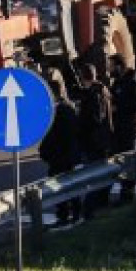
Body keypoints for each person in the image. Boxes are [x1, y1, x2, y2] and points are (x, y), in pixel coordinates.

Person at [39, 79, 82, 227]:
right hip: (68, 155)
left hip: (60, 157)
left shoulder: (59, 112)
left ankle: (65, 215)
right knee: (71, 186)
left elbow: (54, 136)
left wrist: (44, 151)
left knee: (58, 187)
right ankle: (75, 213)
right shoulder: (68, 107)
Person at [74, 63, 113, 218]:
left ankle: (90, 209)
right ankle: (100, 206)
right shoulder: (101, 90)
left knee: (94, 176)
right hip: (101, 140)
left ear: (83, 76)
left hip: (94, 142)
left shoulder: (93, 94)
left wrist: (80, 123)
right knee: (101, 174)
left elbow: (94, 118)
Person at [109, 56, 136, 202]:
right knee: (120, 161)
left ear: (119, 66)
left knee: (128, 160)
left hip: (128, 128)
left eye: (111, 66)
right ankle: (125, 188)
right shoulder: (117, 83)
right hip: (117, 129)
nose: (109, 69)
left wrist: (117, 107)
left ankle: (129, 191)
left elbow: (135, 106)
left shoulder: (132, 83)